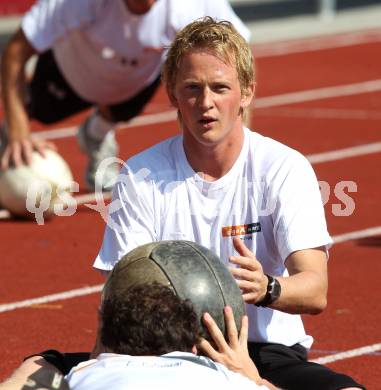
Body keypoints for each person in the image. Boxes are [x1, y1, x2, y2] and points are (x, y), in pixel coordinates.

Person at [93, 17, 365, 390]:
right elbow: (123, 296)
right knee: (38, 369)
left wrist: (267, 288)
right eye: (192, 88)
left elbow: (315, 289)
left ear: (247, 92)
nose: (206, 103)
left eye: (220, 87)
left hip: (265, 352)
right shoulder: (139, 175)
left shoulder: (283, 167)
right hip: (170, 354)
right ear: (172, 95)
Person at [0, 0, 250, 191]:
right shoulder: (76, 4)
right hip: (69, 75)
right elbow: (15, 51)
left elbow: (237, 54)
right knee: (29, 110)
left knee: (180, 70)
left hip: (132, 85)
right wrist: (18, 129)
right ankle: (7, 138)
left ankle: (96, 133)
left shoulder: (190, 5)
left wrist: (233, 145)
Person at [0, 281, 274, 389]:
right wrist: (255, 378)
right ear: (193, 347)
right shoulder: (225, 379)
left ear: (106, 343)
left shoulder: (84, 375)